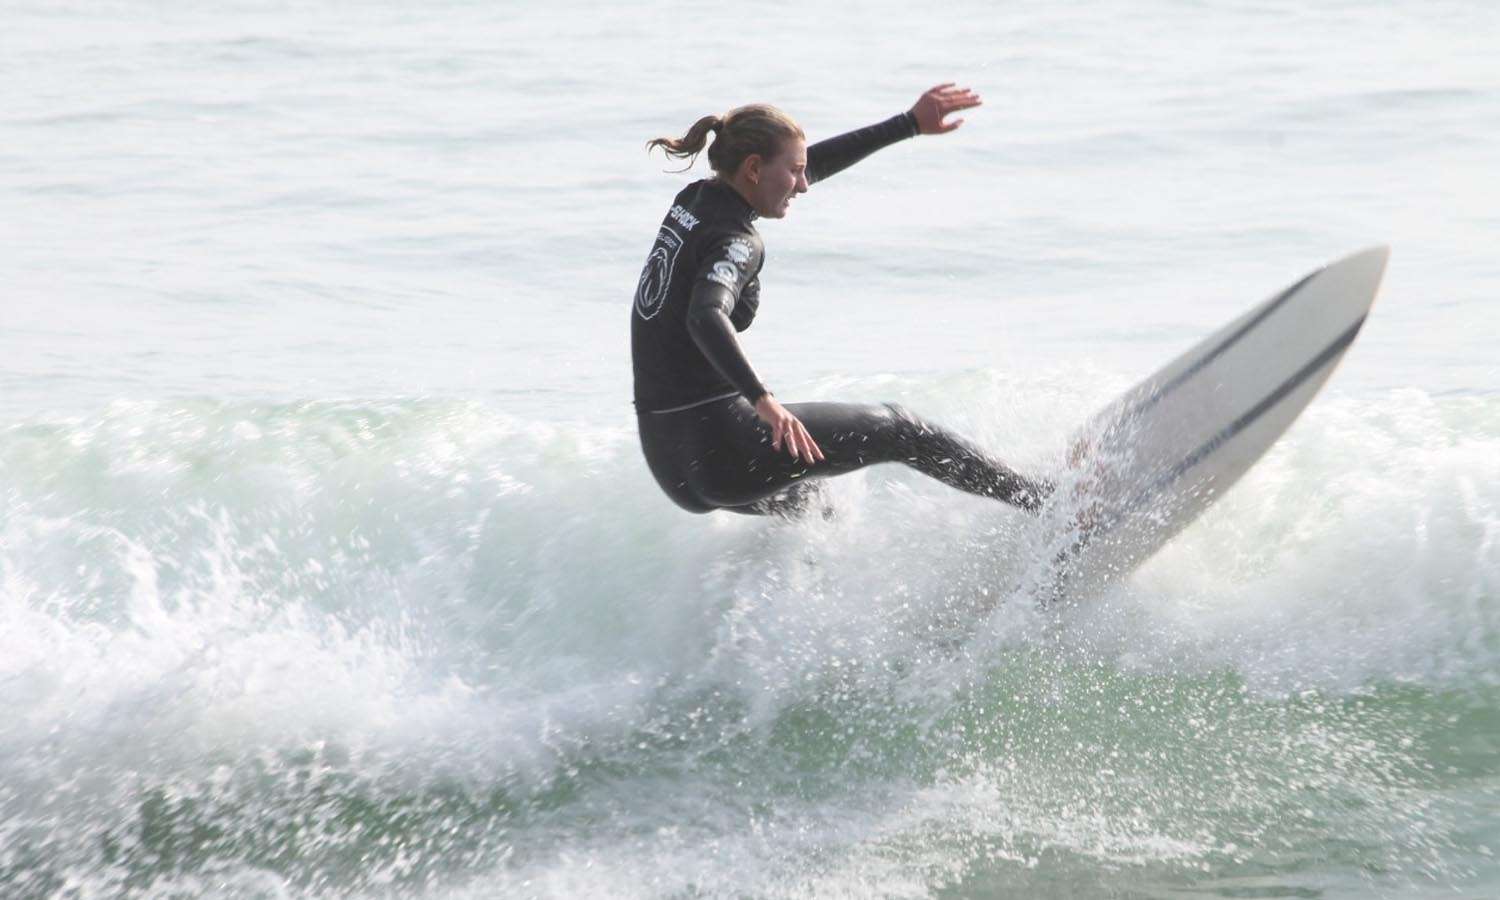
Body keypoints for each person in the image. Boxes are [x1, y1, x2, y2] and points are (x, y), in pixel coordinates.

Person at [631, 84, 1050, 517]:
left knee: (817, 507)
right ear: (753, 169)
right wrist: (765, 402)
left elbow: (809, 166)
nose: (804, 185)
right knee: (901, 429)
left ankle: (812, 582)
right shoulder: (736, 240)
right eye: (794, 173)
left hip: (673, 464)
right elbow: (706, 316)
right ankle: (1044, 502)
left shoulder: (693, 203)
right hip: (723, 448)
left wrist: (907, 125)